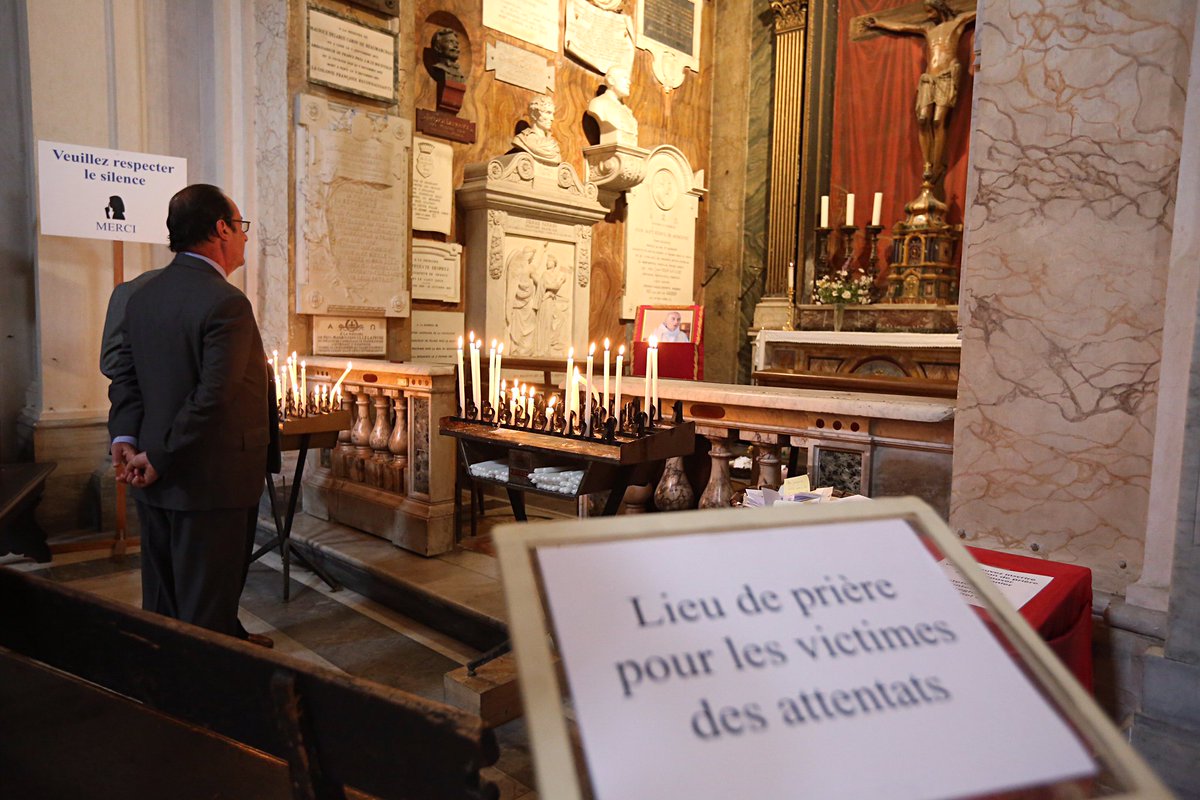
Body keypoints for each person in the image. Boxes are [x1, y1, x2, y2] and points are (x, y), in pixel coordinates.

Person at [107, 183, 279, 647]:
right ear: (220, 229)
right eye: (240, 226)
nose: (244, 238)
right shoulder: (226, 301)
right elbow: (213, 395)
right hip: (210, 477)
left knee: (164, 591)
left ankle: (184, 660)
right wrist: (161, 455)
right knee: (206, 593)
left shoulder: (142, 295)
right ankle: (205, 692)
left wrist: (124, 437)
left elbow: (125, 376)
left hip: (151, 469)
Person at [863, 0, 975, 185]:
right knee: (923, 119)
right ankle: (928, 164)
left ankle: (938, 165)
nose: (929, 15)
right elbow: (903, 27)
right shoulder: (928, 30)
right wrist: (879, 23)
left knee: (938, 120)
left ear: (939, 9)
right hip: (929, 78)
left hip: (946, 77)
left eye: (930, 11)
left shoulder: (957, 23)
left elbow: (980, 10)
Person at [587, 63, 638, 146]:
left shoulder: (628, 111)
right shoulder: (598, 104)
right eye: (625, 78)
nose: (629, 82)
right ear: (611, 80)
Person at [512, 95, 562, 165]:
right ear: (534, 114)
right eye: (548, 113)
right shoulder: (522, 140)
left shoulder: (553, 144)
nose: (552, 118)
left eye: (552, 114)